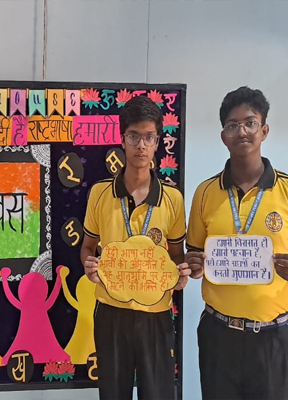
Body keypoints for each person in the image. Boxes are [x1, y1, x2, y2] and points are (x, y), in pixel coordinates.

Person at [185, 86, 288, 400]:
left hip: (272, 337)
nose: (242, 131)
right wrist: (193, 266)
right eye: (233, 125)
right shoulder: (205, 193)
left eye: (250, 123)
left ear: (264, 130)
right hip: (218, 334)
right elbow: (194, 252)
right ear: (223, 136)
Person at [81, 95, 191, 400]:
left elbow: (176, 256)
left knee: (158, 393)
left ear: (158, 142)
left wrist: (180, 275)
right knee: (113, 393)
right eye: (133, 136)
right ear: (122, 139)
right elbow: (87, 247)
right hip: (111, 312)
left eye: (148, 137)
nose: (141, 146)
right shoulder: (100, 193)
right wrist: (89, 265)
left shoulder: (173, 199)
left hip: (156, 314)